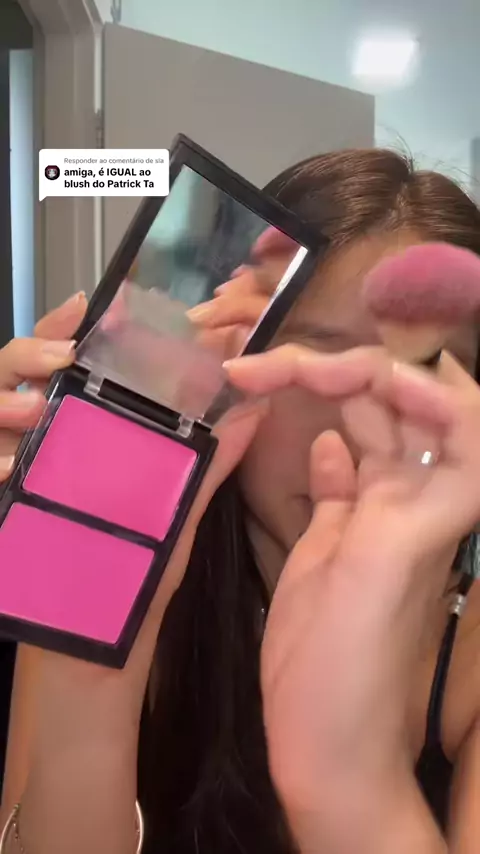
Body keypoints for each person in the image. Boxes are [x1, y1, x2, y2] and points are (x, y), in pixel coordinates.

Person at [1, 148, 480, 854]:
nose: (353, 435)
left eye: (415, 381)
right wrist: (94, 652)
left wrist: (347, 775)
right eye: (314, 363)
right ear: (231, 368)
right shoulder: (105, 577)